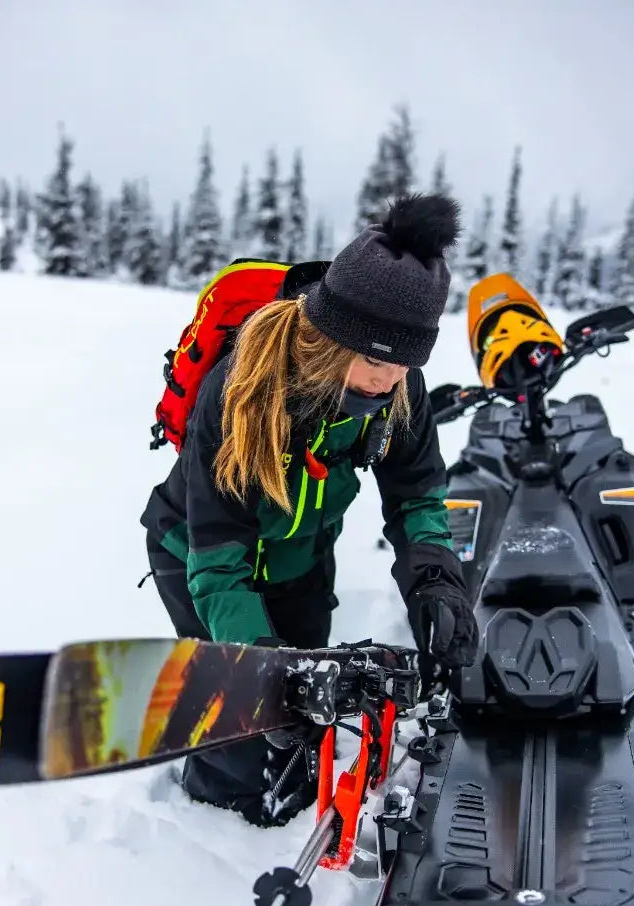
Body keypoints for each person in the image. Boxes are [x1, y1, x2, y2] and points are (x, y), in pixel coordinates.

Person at [140, 193, 478, 826]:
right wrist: (259, 669)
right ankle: (209, 833)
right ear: (332, 339)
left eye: (408, 362)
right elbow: (219, 565)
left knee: (307, 717)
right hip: (200, 558)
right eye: (378, 360)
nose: (390, 380)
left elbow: (418, 493)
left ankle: (288, 803)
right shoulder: (242, 392)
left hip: (300, 558)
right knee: (241, 734)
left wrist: (435, 577)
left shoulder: (398, 386)